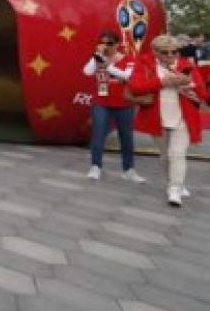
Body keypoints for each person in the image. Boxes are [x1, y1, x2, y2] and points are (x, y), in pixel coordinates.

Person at [129, 34, 207, 207]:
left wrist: (190, 84)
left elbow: (202, 93)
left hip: (184, 117)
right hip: (158, 117)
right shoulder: (144, 64)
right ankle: (172, 181)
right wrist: (162, 82)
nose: (171, 56)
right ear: (155, 52)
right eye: (166, 52)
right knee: (166, 155)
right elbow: (135, 87)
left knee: (177, 154)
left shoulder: (187, 65)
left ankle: (175, 189)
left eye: (175, 52)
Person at [82, 31, 144, 183]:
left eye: (109, 43)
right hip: (101, 102)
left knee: (126, 136)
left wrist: (107, 66)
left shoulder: (128, 58)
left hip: (124, 103)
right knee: (98, 134)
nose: (106, 46)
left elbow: (126, 76)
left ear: (117, 44)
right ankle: (95, 167)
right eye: (102, 42)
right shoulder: (98, 57)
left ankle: (128, 169)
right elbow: (87, 71)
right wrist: (98, 56)